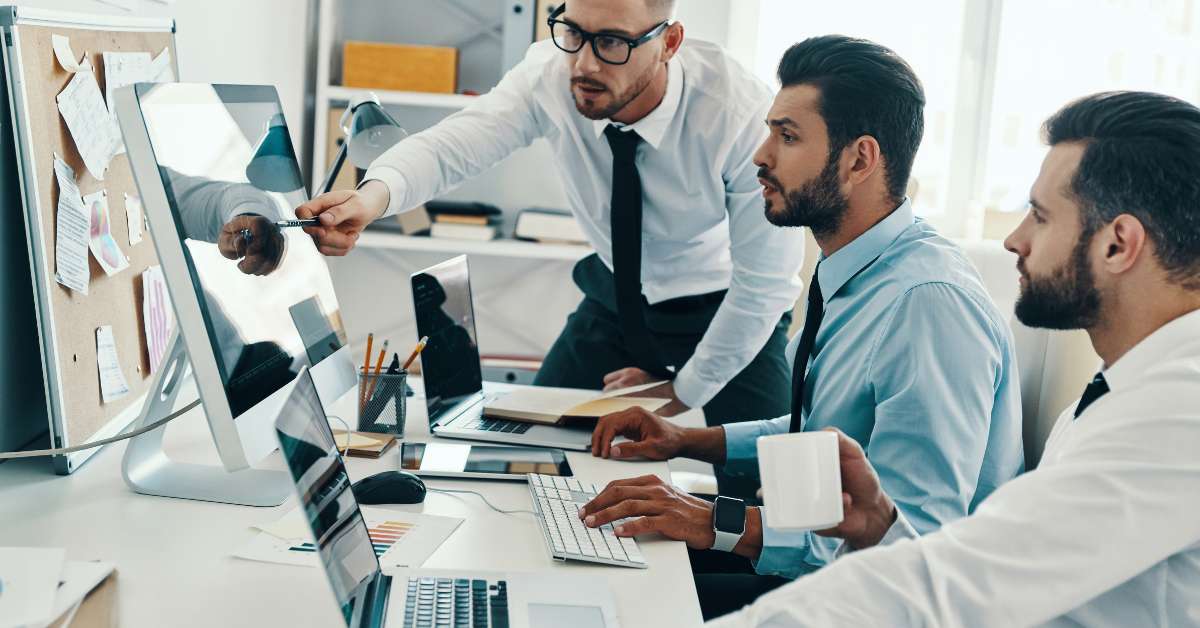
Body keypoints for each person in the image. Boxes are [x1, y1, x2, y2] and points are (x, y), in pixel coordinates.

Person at [707, 90, 1200, 627]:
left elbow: (954, 589)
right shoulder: (1127, 389)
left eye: (1038, 216)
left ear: (1118, 244)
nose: (1014, 240)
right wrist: (880, 527)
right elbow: (988, 575)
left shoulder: (1178, 410)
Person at [578, 35, 1024, 619]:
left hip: (876, 600)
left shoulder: (926, 303)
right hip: (823, 568)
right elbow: (817, 432)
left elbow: (911, 538)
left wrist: (711, 518)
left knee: (612, 604)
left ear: (860, 159)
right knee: (595, 567)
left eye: (787, 137)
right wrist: (688, 440)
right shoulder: (860, 272)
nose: (760, 156)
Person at [293, 0, 805, 497]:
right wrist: (371, 197)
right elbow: (455, 145)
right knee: (524, 454)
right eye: (573, 31)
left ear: (669, 42)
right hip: (614, 295)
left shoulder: (737, 114)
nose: (582, 62)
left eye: (611, 43)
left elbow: (764, 285)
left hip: (722, 305)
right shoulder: (550, 72)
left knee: (768, 488)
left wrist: (681, 392)